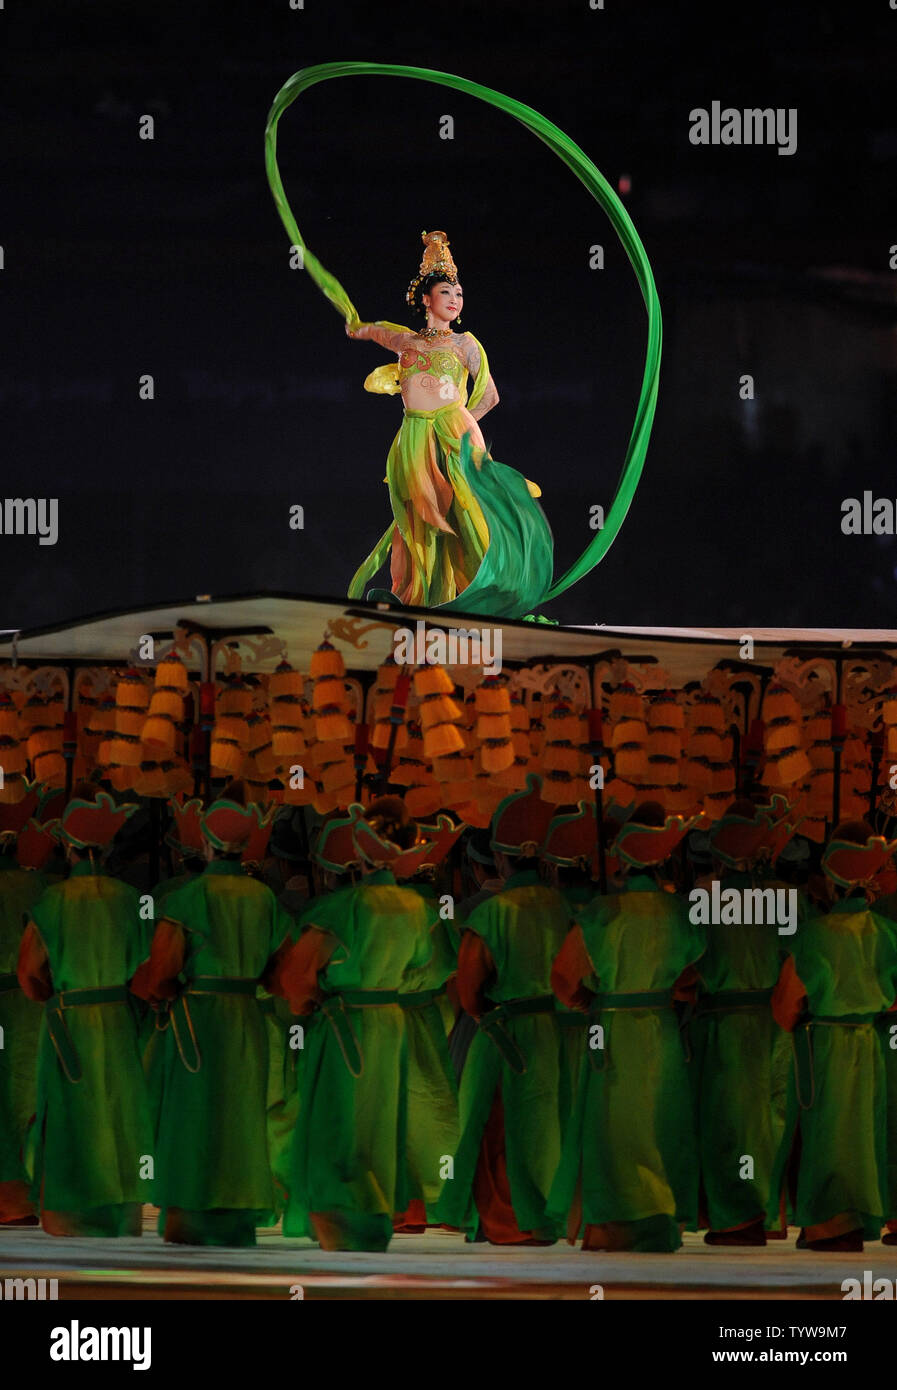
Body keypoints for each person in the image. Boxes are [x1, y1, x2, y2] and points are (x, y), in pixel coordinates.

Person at [268, 797, 451, 1251]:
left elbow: (295, 976)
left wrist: (309, 1003)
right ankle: (374, 1212)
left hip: (345, 1021)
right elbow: (430, 966)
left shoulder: (342, 907)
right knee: (380, 1119)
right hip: (391, 1022)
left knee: (339, 1118)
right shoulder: (416, 907)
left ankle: (339, 1213)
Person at [345, 230, 552, 611]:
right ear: (426, 299)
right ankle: (420, 599)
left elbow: (490, 396)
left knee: (463, 516)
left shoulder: (464, 344)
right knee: (418, 516)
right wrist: (354, 325)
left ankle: (485, 594)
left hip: (453, 433)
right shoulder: (405, 341)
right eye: (446, 293)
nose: (455, 300)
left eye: (458, 294)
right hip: (412, 437)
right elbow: (366, 329)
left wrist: (454, 425)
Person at [132, 784, 293, 1246]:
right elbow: (281, 975)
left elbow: (161, 974)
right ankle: (237, 1216)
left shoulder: (185, 899)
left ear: (201, 843)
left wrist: (155, 992)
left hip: (197, 1021)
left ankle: (191, 1218)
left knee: (193, 1117)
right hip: (246, 1020)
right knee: (241, 1116)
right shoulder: (263, 899)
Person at [548, 802, 705, 1252]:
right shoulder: (679, 912)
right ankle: (659, 1222)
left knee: (613, 1127)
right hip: (661, 1031)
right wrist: (660, 987)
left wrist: (587, 1002)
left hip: (613, 1029)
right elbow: (690, 978)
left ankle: (614, 1225)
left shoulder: (602, 913)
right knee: (660, 1123)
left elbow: (563, 976)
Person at [434, 774, 570, 1244]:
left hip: (505, 1034)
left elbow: (470, 993)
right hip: (560, 1033)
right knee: (553, 1126)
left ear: (497, 857)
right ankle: (549, 1216)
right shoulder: (567, 908)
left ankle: (510, 1222)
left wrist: (485, 1014)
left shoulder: (490, 913)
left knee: (498, 1128)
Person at [17, 790, 153, 1237]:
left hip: (70, 1022)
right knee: (119, 1112)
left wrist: (52, 996)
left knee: (72, 1115)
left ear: (68, 847)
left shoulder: (51, 901)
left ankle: (70, 1216)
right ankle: (122, 1211)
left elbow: (29, 974)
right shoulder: (134, 899)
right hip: (118, 1021)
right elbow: (150, 969)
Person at [769, 821, 897, 1251]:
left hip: (823, 1044)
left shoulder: (815, 935)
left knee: (827, 1133)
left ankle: (827, 1225)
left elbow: (785, 1007)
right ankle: (859, 1218)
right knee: (864, 1133)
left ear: (832, 878)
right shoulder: (887, 933)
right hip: (869, 1041)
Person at [692, 796, 800, 1245]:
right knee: (770, 1117)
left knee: (728, 1123)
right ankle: (770, 1213)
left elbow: (685, 968)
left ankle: (737, 1218)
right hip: (775, 1021)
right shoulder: (784, 898)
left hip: (723, 1023)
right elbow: (800, 960)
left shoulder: (705, 899)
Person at [0, 788, 49, 1224]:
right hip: (30, 1002)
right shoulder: (38, 885)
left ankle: (12, 1195)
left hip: (13, 998)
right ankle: (25, 1194)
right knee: (25, 1097)